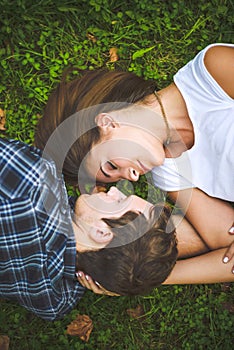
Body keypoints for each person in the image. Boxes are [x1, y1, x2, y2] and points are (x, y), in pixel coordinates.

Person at [34, 42, 234, 273]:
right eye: (117, 178)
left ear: (107, 123)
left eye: (111, 166)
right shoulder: (167, 174)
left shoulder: (211, 76)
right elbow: (226, 235)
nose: (133, 176)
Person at [0, 137, 178, 320]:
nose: (114, 191)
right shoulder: (54, 299)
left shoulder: (34, 179)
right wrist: (109, 281)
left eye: (118, 202)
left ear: (101, 232)